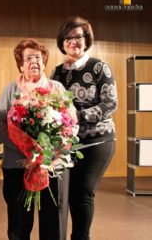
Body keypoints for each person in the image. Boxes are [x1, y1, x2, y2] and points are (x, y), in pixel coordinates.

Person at [0, 38, 71, 240]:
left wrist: (50, 149)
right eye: (28, 58)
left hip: (50, 165)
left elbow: (71, 121)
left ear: (44, 62)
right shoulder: (11, 90)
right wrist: (19, 144)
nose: (34, 61)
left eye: (38, 57)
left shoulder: (57, 88)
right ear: (20, 64)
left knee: (52, 219)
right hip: (18, 163)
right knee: (18, 219)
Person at [51, 16, 118, 240]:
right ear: (62, 42)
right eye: (68, 38)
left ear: (86, 39)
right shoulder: (57, 72)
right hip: (67, 143)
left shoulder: (99, 67)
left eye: (78, 37)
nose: (73, 42)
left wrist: (77, 116)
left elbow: (110, 103)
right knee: (67, 195)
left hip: (98, 141)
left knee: (83, 192)